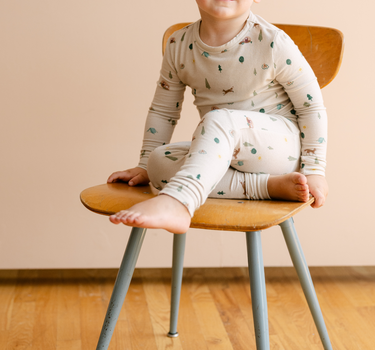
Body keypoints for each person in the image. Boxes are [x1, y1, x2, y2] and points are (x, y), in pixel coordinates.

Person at [107, 0, 329, 234]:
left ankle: (179, 202)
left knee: (218, 120)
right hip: (224, 150)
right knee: (158, 162)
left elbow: (311, 107)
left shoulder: (274, 42)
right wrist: (144, 165)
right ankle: (265, 186)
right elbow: (163, 111)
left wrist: (314, 170)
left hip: (279, 149)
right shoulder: (178, 44)